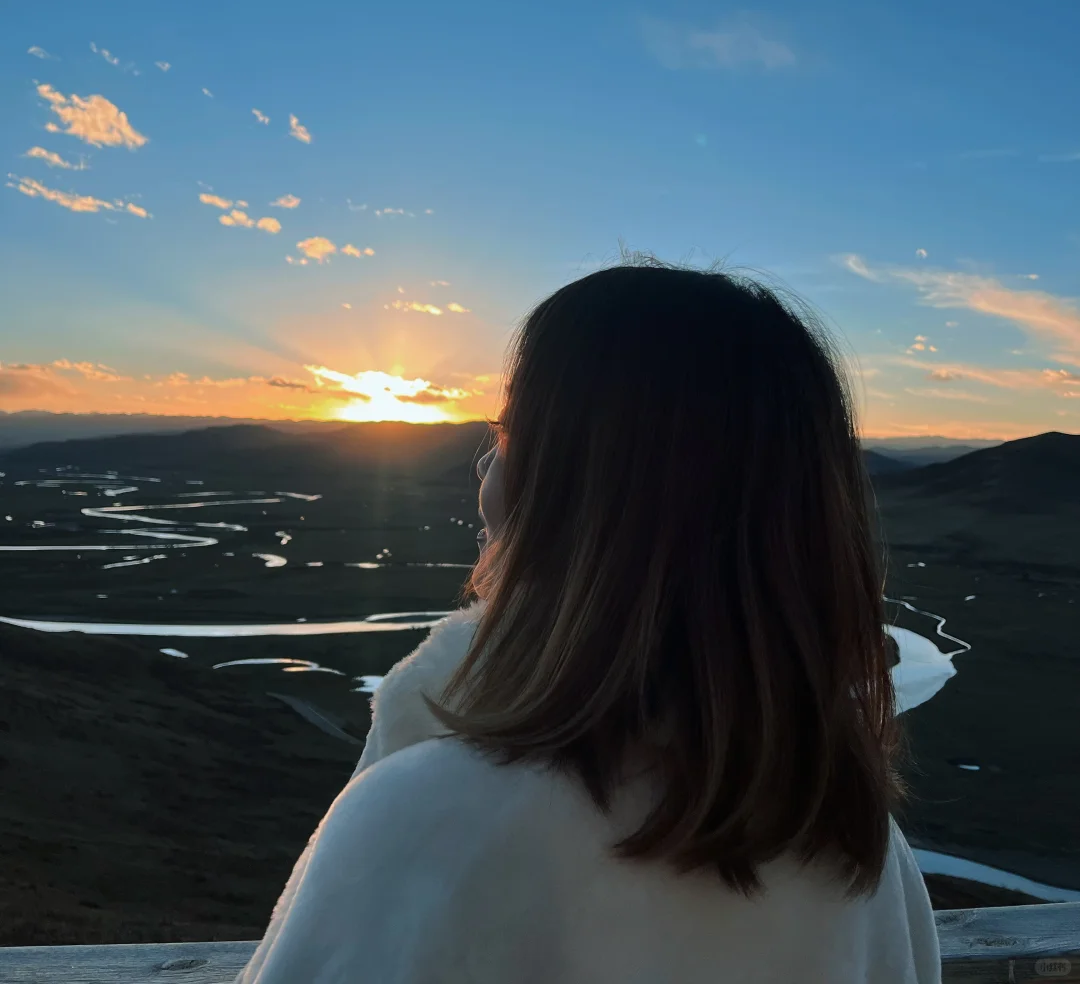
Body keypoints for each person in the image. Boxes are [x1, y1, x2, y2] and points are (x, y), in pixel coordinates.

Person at [239, 261, 941, 984]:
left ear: (583, 495)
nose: (485, 472)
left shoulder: (425, 823)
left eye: (509, 438)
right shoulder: (862, 855)